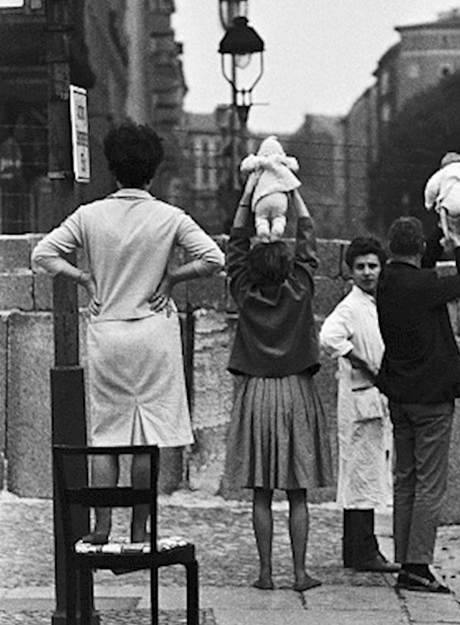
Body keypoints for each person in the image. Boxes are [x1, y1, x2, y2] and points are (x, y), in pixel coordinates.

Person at [31, 121, 225, 544]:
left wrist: (84, 278)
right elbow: (213, 258)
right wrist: (172, 278)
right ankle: (140, 526)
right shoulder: (169, 217)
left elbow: (43, 253)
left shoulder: (89, 216)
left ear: (112, 169)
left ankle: (102, 526)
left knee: (107, 434)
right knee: (146, 438)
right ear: (152, 171)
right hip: (154, 331)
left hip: (108, 330)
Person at [224, 182, 333, 592]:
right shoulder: (301, 289)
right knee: (298, 492)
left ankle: (266, 572)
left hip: (256, 392)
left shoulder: (244, 292)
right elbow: (307, 239)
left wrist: (248, 196)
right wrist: (292, 190)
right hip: (295, 391)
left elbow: (234, 247)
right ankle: (301, 573)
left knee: (261, 493)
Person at [376, 215, 460, 593]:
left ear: (390, 248)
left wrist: (439, 231)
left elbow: (424, 265)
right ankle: (418, 566)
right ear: (418, 249)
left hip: (399, 395)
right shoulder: (424, 285)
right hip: (431, 398)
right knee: (430, 484)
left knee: (405, 480)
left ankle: (405, 560)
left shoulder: (385, 281)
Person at [319, 236, 396, 573]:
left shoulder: (377, 303)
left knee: (368, 473)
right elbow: (328, 336)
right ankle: (363, 550)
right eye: (361, 267)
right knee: (360, 474)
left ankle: (358, 549)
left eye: (373, 266)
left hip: (375, 398)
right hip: (359, 398)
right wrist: (360, 359)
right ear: (350, 272)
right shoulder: (350, 307)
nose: (367, 273)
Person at [239, 135, 301, 241]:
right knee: (279, 216)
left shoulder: (259, 163)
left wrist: (259, 161)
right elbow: (295, 165)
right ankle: (278, 229)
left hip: (261, 197)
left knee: (261, 217)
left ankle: (262, 229)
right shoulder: (281, 162)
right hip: (279, 196)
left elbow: (244, 166)